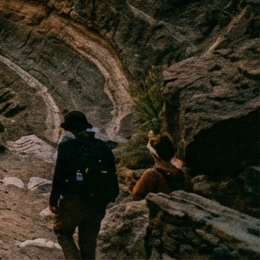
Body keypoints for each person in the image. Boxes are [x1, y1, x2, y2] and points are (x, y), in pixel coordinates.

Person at [49, 111, 118, 260]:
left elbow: (59, 175)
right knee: (88, 242)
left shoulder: (67, 146)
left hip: (74, 199)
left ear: (70, 129)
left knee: (62, 231)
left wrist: (53, 200)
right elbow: (113, 173)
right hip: (99, 202)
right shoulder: (103, 147)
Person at [131, 134, 191, 200]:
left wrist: (129, 180)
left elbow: (136, 195)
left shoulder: (151, 174)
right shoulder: (182, 173)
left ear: (154, 155)